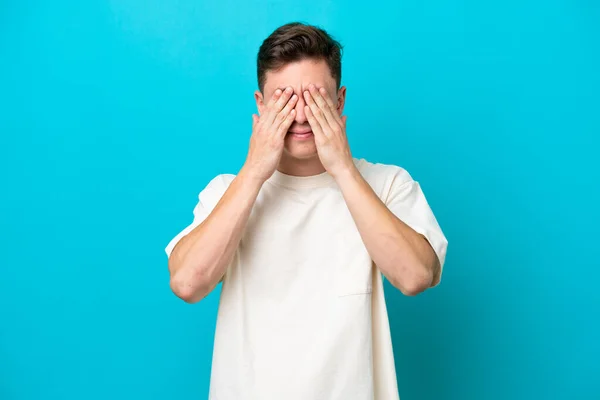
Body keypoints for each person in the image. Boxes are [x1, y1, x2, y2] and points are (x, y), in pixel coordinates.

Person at [165, 22, 448, 400]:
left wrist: (343, 168)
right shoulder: (224, 192)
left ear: (339, 101)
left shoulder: (388, 183)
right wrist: (254, 172)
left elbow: (416, 277)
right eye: (283, 100)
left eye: (314, 99)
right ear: (261, 105)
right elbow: (187, 283)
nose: (299, 116)